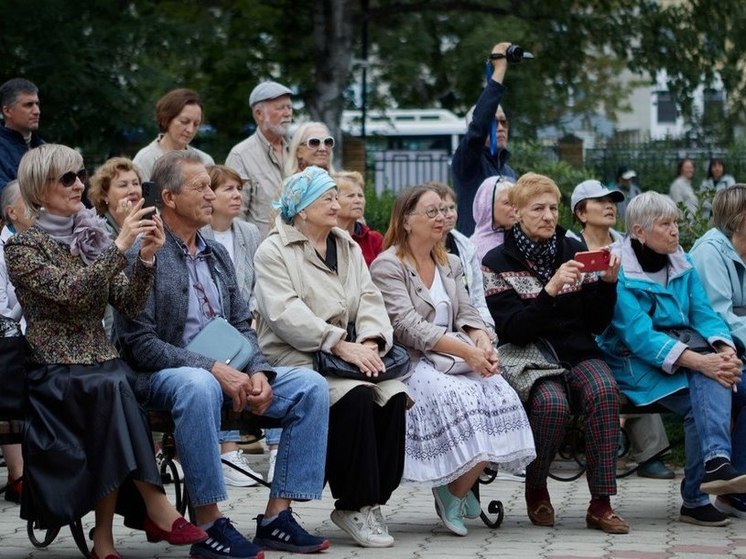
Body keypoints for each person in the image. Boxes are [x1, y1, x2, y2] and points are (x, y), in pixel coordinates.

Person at [114, 151, 330, 559]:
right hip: (164, 375)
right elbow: (139, 344)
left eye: (212, 186)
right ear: (169, 198)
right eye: (201, 187)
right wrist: (212, 369)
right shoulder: (143, 253)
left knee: (310, 385)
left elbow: (242, 325)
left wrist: (259, 370)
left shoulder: (217, 255)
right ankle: (208, 524)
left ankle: (276, 519)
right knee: (198, 386)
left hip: (230, 372)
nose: (211, 195)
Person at [6, 144, 206, 559]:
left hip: (99, 361)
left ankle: (109, 538)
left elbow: (127, 303)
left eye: (80, 173)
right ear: (39, 189)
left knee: (114, 384)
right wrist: (120, 245)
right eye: (67, 178)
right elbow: (72, 295)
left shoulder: (89, 235)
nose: (79, 183)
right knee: (114, 387)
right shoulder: (23, 248)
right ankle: (152, 507)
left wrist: (146, 258)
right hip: (52, 366)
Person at [253, 166, 408, 548]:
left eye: (337, 197)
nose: (337, 205)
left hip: (348, 356)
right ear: (302, 209)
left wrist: (371, 340)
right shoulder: (274, 250)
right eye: (328, 198)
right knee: (354, 398)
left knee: (393, 397)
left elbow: (369, 298)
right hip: (297, 357)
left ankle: (372, 501)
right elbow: (284, 313)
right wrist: (337, 342)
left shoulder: (347, 246)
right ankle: (354, 503)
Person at [370, 184, 535, 537]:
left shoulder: (450, 261)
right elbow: (407, 327)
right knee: (465, 399)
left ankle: (456, 488)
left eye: (445, 210)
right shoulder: (388, 265)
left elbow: (467, 312)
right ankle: (452, 492)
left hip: (457, 355)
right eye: (431, 211)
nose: (442, 217)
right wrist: (469, 353)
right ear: (406, 220)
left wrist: (483, 344)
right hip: (414, 362)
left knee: (501, 394)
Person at [482, 172, 629, 534]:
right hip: (529, 355)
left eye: (552, 208)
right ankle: (536, 487)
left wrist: (607, 287)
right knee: (552, 405)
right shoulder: (496, 261)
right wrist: (549, 290)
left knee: (604, 392)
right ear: (516, 213)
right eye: (538, 209)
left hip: (576, 349)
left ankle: (601, 503)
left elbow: (595, 323)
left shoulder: (574, 250)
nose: (549, 216)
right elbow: (513, 330)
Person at [597, 191, 746, 527]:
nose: (675, 231)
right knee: (706, 388)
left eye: (676, 222)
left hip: (684, 352)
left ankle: (721, 472)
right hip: (633, 362)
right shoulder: (618, 267)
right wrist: (703, 362)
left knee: (727, 379)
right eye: (666, 224)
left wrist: (725, 350)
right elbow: (638, 336)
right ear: (639, 231)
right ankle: (698, 492)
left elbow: (704, 313)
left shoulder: (681, 259)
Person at [569, 179, 675, 480]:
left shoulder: (630, 245)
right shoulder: (568, 246)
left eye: (612, 201)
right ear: (580, 212)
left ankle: (650, 453)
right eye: (599, 202)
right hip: (585, 336)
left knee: (641, 359)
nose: (609, 206)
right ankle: (615, 443)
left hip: (626, 332)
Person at [199, 164, 266, 487]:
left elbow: (257, 282)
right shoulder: (201, 233)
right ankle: (227, 451)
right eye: (228, 189)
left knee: (265, 363)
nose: (237, 195)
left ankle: (263, 447)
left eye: (239, 189)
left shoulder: (248, 233)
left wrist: (249, 315)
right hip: (209, 329)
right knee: (228, 366)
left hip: (245, 319)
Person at [690, 184, 746, 518]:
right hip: (709, 353)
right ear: (740, 220)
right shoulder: (710, 252)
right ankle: (735, 488)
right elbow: (720, 316)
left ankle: (737, 485)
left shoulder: (741, 249)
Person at [452, 42, 517, 235]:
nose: (500, 128)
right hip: (476, 256)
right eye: (493, 122)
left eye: (504, 122)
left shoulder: (508, 172)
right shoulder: (468, 163)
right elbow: (479, 125)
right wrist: (499, 70)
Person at [0, 179, 34, 504]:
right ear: (12, 212)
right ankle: (19, 473)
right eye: (30, 202)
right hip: (10, 345)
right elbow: (2, 311)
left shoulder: (40, 243)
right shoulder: (1, 250)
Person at [225, 81, 293, 236]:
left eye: (289, 107)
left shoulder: (298, 150)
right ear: (259, 114)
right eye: (280, 108)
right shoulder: (241, 155)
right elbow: (235, 216)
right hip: (260, 253)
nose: (288, 113)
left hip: (298, 251)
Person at [431, 181, 495, 331]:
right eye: (442, 209)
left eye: (452, 208)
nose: (449, 215)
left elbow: (479, 298)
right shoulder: (421, 249)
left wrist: (486, 329)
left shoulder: (467, 247)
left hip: (470, 325)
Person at [133, 88, 214, 180]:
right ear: (166, 119)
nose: (190, 130)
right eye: (184, 121)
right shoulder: (145, 159)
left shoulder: (205, 161)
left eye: (196, 124)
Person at [333, 170, 383, 267]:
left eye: (360, 196)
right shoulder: (323, 238)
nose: (358, 201)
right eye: (351, 196)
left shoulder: (374, 240)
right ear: (333, 200)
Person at [0, 78, 43, 190]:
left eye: (37, 104)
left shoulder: (44, 148)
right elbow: (6, 197)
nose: (37, 111)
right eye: (29, 105)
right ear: (7, 111)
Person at [88, 157, 144, 237]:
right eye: (123, 185)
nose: (133, 190)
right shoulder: (96, 229)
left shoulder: (147, 220)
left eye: (135, 183)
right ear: (104, 195)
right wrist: (124, 227)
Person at [470, 175, 516, 261]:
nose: (514, 208)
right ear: (487, 206)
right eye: (507, 203)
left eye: (515, 202)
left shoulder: (522, 240)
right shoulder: (473, 249)